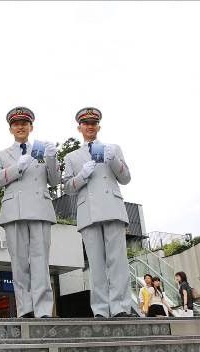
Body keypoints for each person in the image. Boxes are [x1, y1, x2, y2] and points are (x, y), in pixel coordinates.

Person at [63, 107, 133, 318]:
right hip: (89, 212)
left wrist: (113, 160)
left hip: (112, 207)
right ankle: (101, 310)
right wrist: (82, 175)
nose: (90, 126)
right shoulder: (72, 156)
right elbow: (67, 188)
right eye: (86, 123)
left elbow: (126, 178)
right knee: (96, 264)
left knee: (118, 262)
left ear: (98, 126)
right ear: (79, 127)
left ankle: (121, 307)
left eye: (93, 123)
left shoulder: (113, 148)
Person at [0, 107, 60, 318]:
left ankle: (43, 309)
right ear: (11, 128)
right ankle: (25, 309)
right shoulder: (1, 155)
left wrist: (52, 159)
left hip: (40, 209)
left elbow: (55, 181)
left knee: (40, 261)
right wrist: (16, 167)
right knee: (19, 262)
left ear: (31, 126)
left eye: (24, 123)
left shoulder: (42, 150)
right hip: (14, 211)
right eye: (16, 123)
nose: (20, 126)